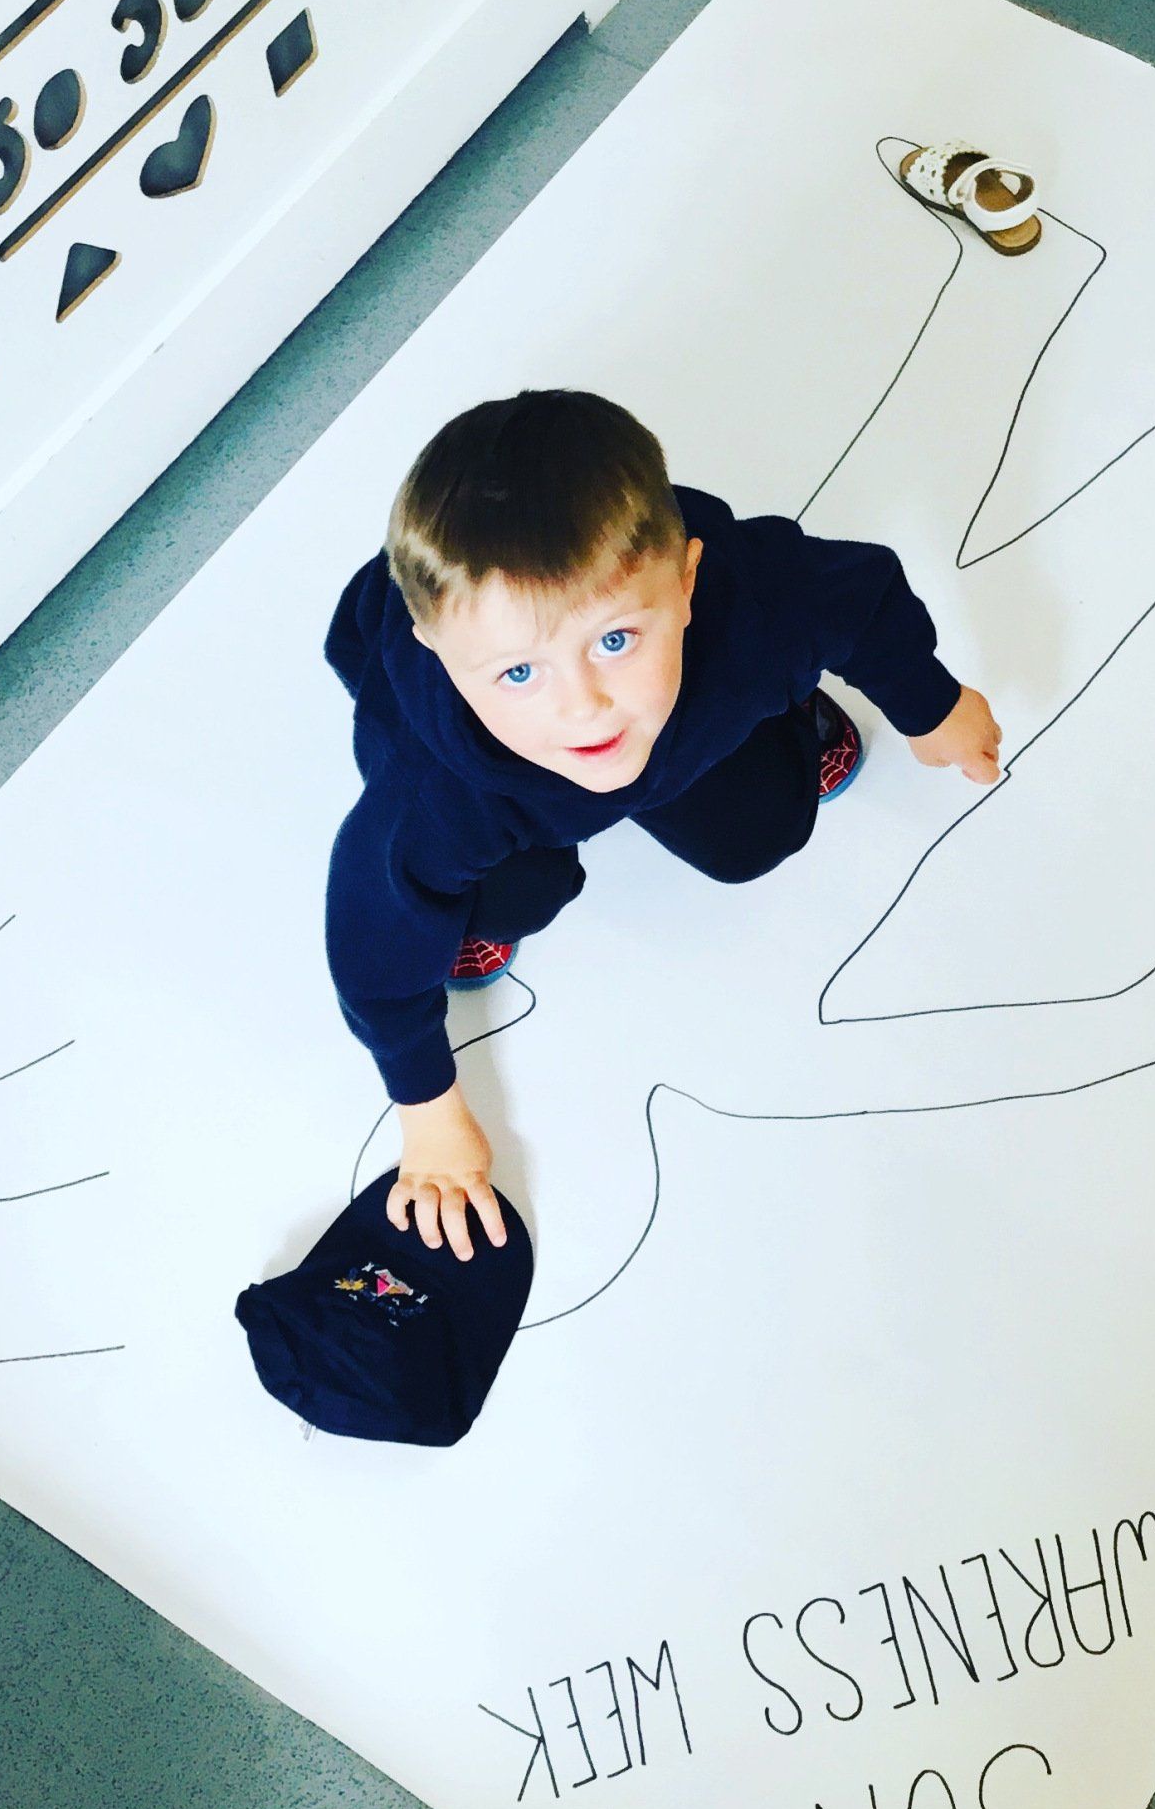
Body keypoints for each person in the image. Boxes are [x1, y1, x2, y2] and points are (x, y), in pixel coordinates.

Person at [322, 389, 1004, 1261]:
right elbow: (373, 943)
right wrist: (427, 1110)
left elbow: (860, 600)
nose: (584, 707)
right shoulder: (433, 792)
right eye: (520, 673)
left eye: (614, 641)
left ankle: (784, 713)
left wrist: (930, 706)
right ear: (443, 657)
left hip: (693, 723)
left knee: (756, 834)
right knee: (502, 896)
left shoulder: (752, 604)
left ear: (685, 583)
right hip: (498, 798)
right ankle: (535, 751)